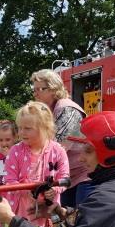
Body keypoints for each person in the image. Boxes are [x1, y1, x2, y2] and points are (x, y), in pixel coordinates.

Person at [31, 69, 92, 208]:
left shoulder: (67, 109)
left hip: (84, 176)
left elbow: (55, 147)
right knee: (66, 222)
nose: (35, 94)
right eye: (34, 90)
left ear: (53, 88)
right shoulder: (51, 111)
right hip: (68, 178)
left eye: (39, 89)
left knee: (81, 220)